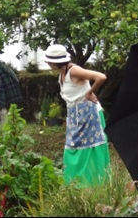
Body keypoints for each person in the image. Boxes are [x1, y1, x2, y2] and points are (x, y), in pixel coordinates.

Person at [43, 44, 110, 186]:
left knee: (90, 149)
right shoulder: (63, 73)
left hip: (89, 113)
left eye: (49, 61)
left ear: (54, 62)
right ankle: (76, 183)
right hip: (75, 115)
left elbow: (101, 77)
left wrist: (90, 92)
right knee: (73, 148)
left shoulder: (74, 71)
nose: (47, 63)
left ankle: (95, 183)